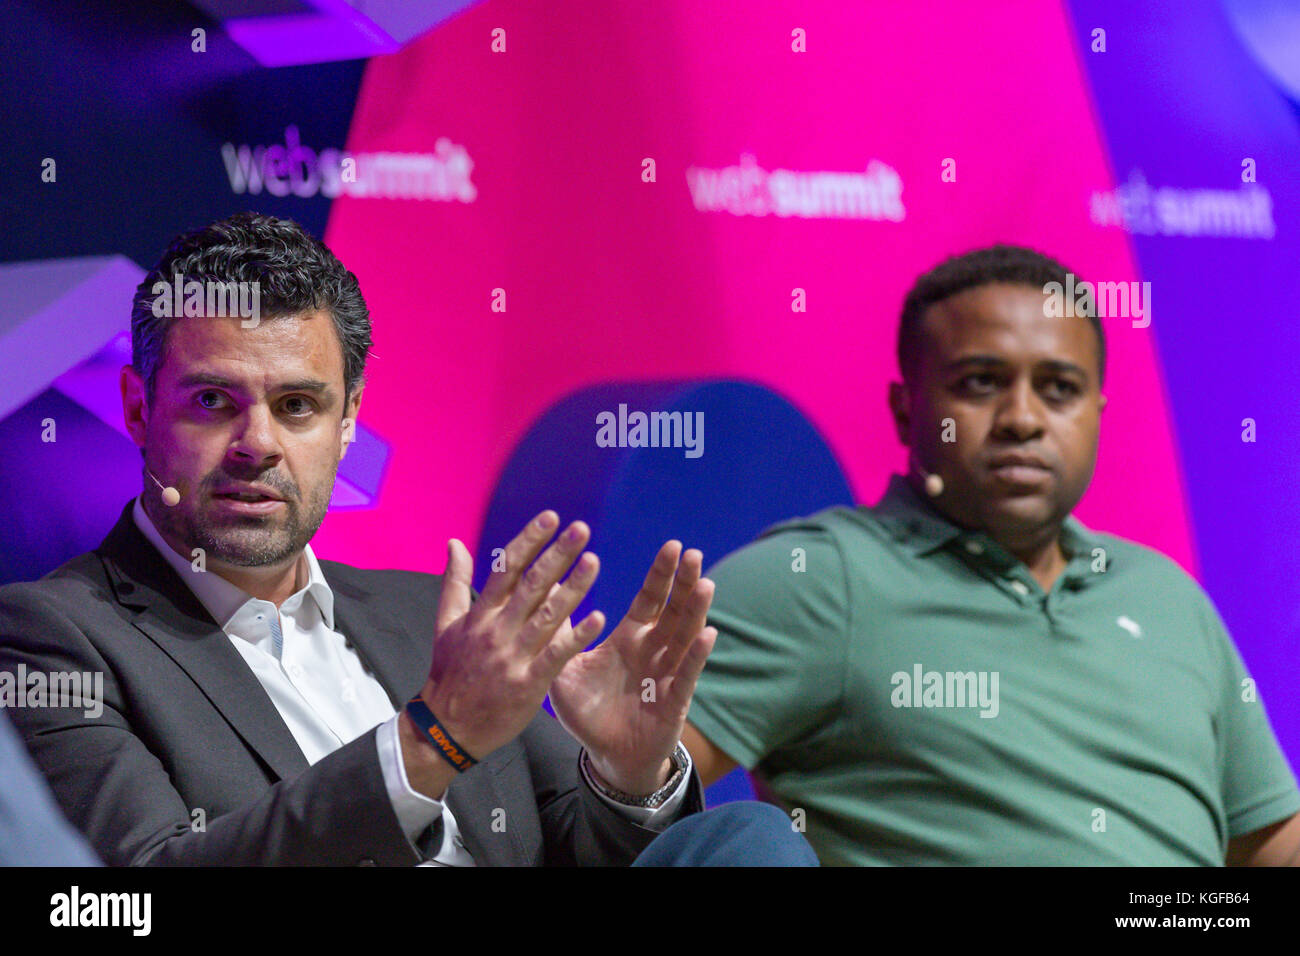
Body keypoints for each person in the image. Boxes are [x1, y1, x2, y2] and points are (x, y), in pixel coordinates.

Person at [0, 212, 815, 867]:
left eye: (297, 406)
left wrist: (626, 773)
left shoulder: (425, 614)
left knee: (752, 843)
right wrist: (430, 741)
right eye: (213, 402)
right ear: (139, 411)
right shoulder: (52, 639)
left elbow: (578, 847)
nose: (258, 443)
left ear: (347, 423)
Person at [683, 244, 1300, 866]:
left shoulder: (1166, 595)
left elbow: (1271, 845)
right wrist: (611, 763)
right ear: (906, 410)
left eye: (1059, 389)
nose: (1022, 419)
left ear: (1097, 414)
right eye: (981, 382)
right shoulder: (819, 578)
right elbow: (626, 781)